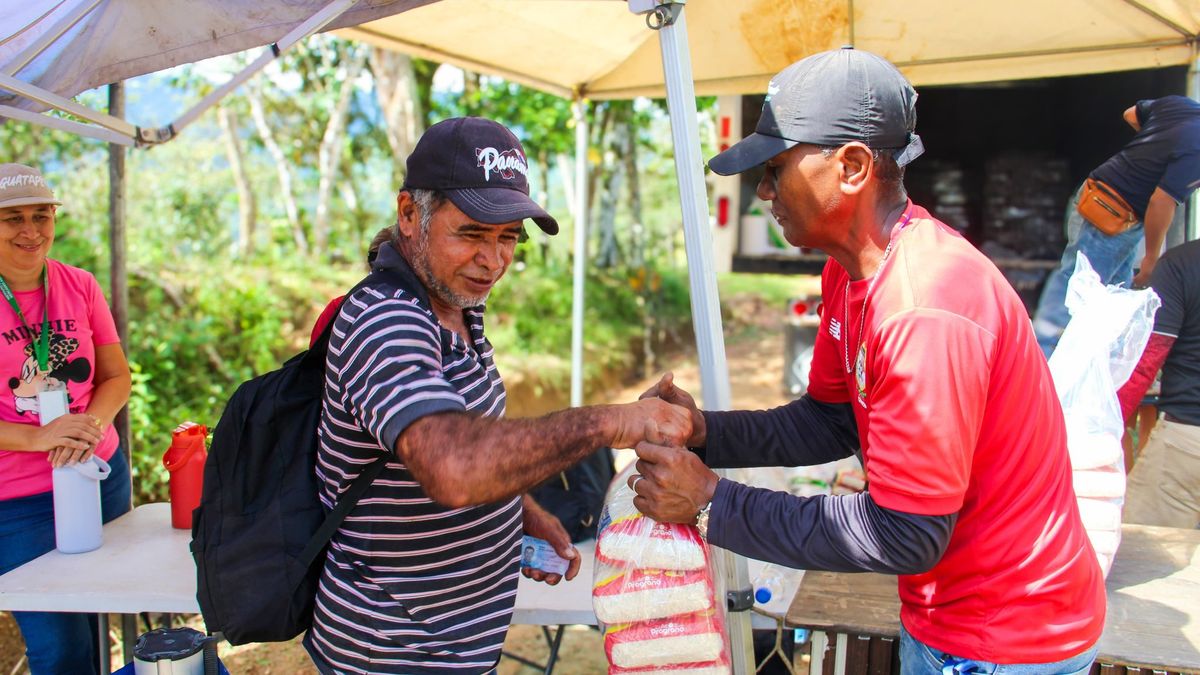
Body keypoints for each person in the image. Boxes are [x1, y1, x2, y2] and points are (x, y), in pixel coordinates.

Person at [629, 48, 1104, 673]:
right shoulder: (850, 273)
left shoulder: (923, 307)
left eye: (775, 169)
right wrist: (704, 430)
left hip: (1003, 638)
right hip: (954, 615)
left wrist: (712, 501)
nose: (764, 192)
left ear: (851, 167)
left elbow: (906, 533)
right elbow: (829, 420)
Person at [304, 117, 691, 674]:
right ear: (410, 214)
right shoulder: (388, 321)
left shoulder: (456, 306)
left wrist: (519, 511)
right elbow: (454, 468)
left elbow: (459, 442)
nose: (493, 260)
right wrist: (611, 422)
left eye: (508, 236)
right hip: (393, 650)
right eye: (471, 234)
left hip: (457, 642)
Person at [0, 163, 133, 674]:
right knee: (60, 648)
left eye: (42, 215)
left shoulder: (79, 284)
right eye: (13, 218)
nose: (31, 231)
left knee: (102, 622)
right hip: (19, 502)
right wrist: (39, 438)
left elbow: (115, 377)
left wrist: (89, 428)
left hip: (98, 477)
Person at [1033, 95, 1200, 357]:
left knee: (1113, 295)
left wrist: (1151, 153)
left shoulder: (1182, 106)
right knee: (1077, 285)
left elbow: (1131, 114)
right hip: (1111, 211)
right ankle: (1041, 355)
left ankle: (1101, 362)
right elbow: (1161, 201)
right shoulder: (1197, 149)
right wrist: (1151, 259)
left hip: (1103, 199)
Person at [1115, 238, 1200, 528]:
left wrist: (1103, 429)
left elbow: (1145, 362)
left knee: (1143, 546)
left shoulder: (1181, 264)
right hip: (1187, 441)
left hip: (1187, 444)